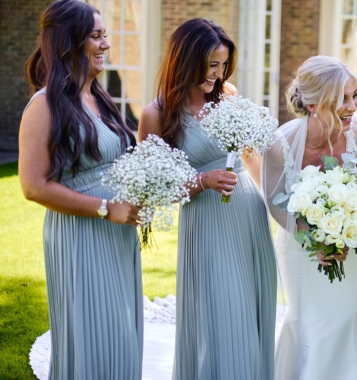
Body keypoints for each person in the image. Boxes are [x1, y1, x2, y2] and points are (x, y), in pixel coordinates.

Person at [138, 18, 276, 380]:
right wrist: (202, 180)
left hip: (247, 212)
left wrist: (278, 204)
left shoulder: (226, 95)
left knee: (250, 305)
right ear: (185, 60)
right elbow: (154, 189)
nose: (217, 74)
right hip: (206, 222)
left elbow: (250, 156)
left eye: (223, 65)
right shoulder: (156, 115)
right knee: (222, 308)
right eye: (210, 65)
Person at [19, 1, 143, 378]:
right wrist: (105, 208)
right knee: (94, 338)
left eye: (105, 35)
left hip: (117, 235)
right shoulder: (44, 106)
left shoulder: (100, 99)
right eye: (96, 35)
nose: (106, 44)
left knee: (122, 337)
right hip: (81, 235)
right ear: (68, 43)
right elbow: (33, 186)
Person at [262, 55, 357, 380]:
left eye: (355, 96)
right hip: (300, 251)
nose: (352, 106)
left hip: (350, 250)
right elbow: (275, 202)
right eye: (342, 99)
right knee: (309, 320)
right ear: (314, 104)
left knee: (346, 318)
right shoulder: (280, 145)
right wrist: (314, 240)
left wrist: (345, 236)